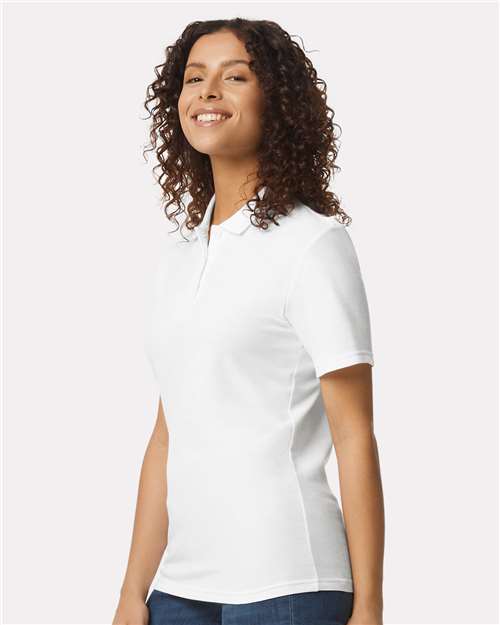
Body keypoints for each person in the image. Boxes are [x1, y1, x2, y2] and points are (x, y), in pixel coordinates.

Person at [112, 18, 384, 625]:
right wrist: (132, 591)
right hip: (179, 588)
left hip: (288, 582)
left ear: (276, 102)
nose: (208, 91)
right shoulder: (179, 254)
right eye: (194, 78)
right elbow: (167, 436)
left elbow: (354, 435)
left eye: (235, 77)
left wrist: (370, 606)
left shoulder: (313, 244)